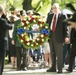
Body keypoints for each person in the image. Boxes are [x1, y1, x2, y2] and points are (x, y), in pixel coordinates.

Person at [46, 3, 69, 73]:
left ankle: (60, 68)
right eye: (53, 8)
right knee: (52, 53)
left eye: (56, 8)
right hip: (51, 36)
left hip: (59, 37)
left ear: (59, 8)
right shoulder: (50, 15)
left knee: (59, 54)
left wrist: (66, 36)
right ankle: (53, 67)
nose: (54, 9)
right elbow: (46, 25)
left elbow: (66, 27)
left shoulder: (63, 16)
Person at [0, 5, 12, 75]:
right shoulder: (3, 21)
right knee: (1, 61)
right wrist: (6, 17)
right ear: (2, 11)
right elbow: (10, 26)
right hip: (2, 43)